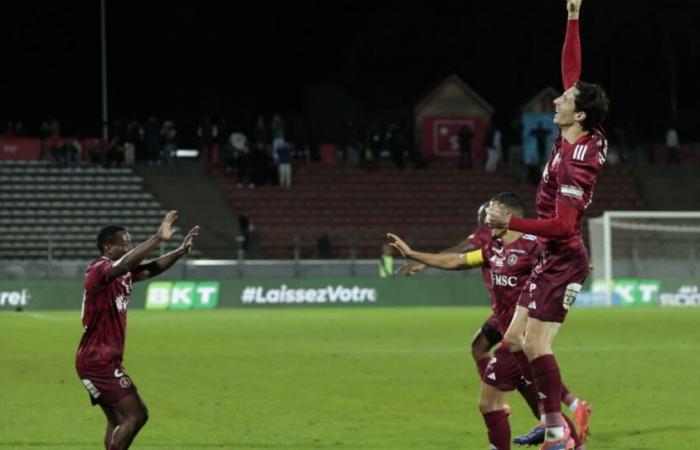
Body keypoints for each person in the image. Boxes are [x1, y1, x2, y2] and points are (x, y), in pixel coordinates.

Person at [486, 1, 607, 448]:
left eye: (564, 100)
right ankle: (557, 414)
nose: (557, 97)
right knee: (516, 338)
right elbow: (572, 73)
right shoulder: (575, 128)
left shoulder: (579, 164)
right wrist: (573, 17)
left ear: (577, 116)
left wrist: (512, 221)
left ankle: (559, 434)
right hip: (552, 257)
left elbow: (562, 226)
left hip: (562, 258)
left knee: (535, 345)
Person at [391, 194, 586, 450]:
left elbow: (566, 259)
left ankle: (569, 439)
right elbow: (458, 260)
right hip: (510, 337)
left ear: (508, 215)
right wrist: (414, 255)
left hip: (524, 339)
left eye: (491, 213)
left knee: (494, 404)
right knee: (537, 411)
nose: (485, 219)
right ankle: (573, 443)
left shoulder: (534, 245)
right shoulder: (492, 247)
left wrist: (577, 266)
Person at [76, 211, 199, 450]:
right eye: (126, 244)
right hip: (98, 361)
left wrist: (180, 251)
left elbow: (150, 269)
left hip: (100, 360)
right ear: (109, 247)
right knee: (137, 415)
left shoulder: (121, 275)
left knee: (117, 419)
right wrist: (157, 238)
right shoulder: (98, 271)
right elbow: (127, 263)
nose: (130, 247)